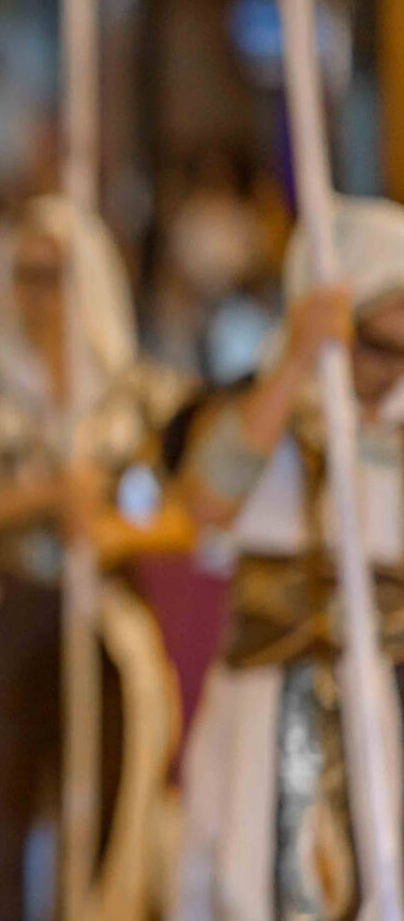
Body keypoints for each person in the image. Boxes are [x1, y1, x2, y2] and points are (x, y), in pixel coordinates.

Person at [0, 193, 194, 921]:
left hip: (104, 610)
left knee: (111, 803)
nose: (42, 295)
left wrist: (112, 529)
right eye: (26, 274)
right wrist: (40, 496)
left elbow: (178, 510)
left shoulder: (138, 396)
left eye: (57, 275)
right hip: (0, 602)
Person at [171, 195, 404, 921]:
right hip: (284, 693)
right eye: (375, 342)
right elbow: (205, 502)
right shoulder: (262, 413)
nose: (388, 368)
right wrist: (299, 360)